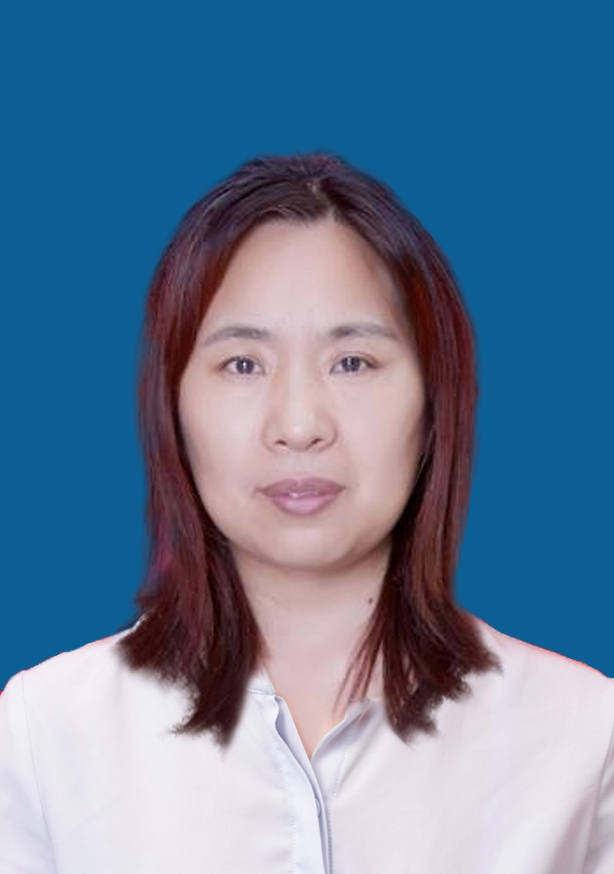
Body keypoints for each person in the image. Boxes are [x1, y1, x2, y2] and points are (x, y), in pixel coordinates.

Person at [0, 152, 612, 873]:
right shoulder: (45, 736)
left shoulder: (583, 737)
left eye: (352, 362)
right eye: (243, 364)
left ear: (434, 403)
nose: (298, 425)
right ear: (173, 407)